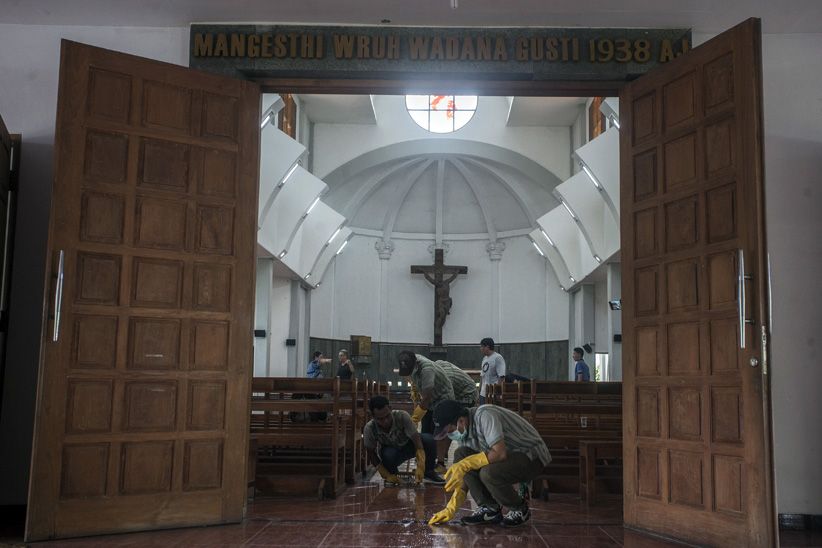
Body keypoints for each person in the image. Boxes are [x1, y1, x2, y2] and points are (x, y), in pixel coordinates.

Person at [428, 400, 551, 528]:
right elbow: (464, 472)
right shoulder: (465, 434)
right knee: (461, 454)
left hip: (531, 456)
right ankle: (489, 509)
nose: (450, 434)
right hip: (509, 456)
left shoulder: (485, 415)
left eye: (450, 430)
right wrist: (452, 507)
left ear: (461, 421)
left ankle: (519, 509)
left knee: (488, 473)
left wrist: (466, 464)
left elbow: (499, 453)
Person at [363, 395, 445, 486]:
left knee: (429, 440)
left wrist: (421, 465)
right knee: (387, 454)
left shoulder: (402, 416)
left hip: (409, 446)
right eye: (380, 419)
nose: (385, 421)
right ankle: (392, 475)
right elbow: (371, 453)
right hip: (392, 452)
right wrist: (385, 474)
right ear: (373, 416)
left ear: (390, 409)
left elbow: (416, 439)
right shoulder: (369, 428)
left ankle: (428, 472)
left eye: (387, 416)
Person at [397, 351, 455, 469]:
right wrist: (415, 391)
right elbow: (414, 383)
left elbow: (427, 397)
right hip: (429, 399)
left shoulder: (426, 369)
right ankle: (427, 463)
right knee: (426, 431)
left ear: (415, 364)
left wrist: (415, 418)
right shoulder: (410, 361)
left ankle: (440, 463)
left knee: (439, 431)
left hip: (442, 397)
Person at [479, 338, 506, 404]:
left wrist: (497, 392)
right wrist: (479, 391)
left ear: (487, 347)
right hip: (483, 393)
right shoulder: (484, 358)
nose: (480, 349)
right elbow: (482, 376)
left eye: (482, 346)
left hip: (493, 393)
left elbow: (501, 377)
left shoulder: (498, 358)